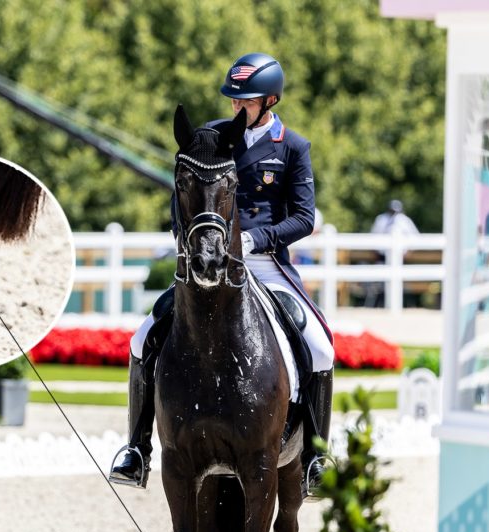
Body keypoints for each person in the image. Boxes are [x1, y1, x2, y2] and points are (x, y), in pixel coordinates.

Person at [108, 52, 336, 498]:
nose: (236, 108)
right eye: (233, 100)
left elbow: (304, 218)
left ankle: (315, 457)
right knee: (142, 339)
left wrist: (257, 240)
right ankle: (136, 450)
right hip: (209, 260)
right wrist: (192, 239)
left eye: (245, 101)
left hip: (266, 263)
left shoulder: (293, 147)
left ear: (270, 100)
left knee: (320, 347)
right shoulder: (211, 137)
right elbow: (182, 200)